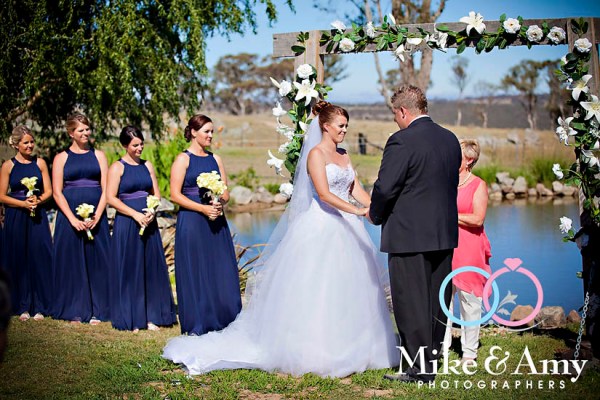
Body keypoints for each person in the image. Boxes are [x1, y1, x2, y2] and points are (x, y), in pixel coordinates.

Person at [163, 101, 399, 377]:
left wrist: (373, 208)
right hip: (322, 225)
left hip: (348, 227)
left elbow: (354, 187)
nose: (345, 130)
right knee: (320, 287)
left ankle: (357, 344)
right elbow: (324, 194)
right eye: (341, 126)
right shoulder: (316, 154)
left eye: (347, 126)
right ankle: (316, 348)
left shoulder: (344, 155)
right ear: (325, 126)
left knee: (352, 285)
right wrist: (356, 210)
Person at [368, 85, 462, 383]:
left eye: (395, 115)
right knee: (437, 299)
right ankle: (431, 358)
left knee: (410, 302)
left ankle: (419, 370)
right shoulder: (450, 139)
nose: (395, 121)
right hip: (443, 233)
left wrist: (375, 214)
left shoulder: (401, 141)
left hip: (408, 235)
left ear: (403, 111)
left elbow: (385, 187)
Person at [170, 114, 241, 335]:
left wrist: (219, 201)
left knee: (221, 269)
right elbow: (174, 195)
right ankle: (199, 322)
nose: (211, 135)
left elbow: (226, 193)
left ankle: (226, 319)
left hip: (216, 221)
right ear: (193, 132)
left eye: (212, 131)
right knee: (197, 270)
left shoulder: (215, 159)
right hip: (192, 222)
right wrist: (202, 208)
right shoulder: (183, 159)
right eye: (206, 131)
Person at [107, 126, 176, 332]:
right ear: (125, 145)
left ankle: (151, 315)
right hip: (127, 223)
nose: (139, 148)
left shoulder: (147, 165)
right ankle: (131, 316)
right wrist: (135, 214)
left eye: (141, 144)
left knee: (149, 267)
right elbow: (111, 198)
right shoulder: (117, 168)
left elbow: (156, 193)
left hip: (149, 222)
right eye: (135, 145)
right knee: (131, 268)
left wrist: (152, 211)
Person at [51, 113, 111, 324]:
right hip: (69, 219)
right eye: (81, 130)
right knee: (71, 263)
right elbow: (57, 192)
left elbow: (107, 189)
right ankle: (74, 308)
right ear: (71, 133)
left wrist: (97, 215)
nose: (86, 133)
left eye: (87, 129)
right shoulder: (61, 158)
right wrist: (72, 219)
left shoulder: (99, 156)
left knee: (99, 262)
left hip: (96, 218)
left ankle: (99, 309)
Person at [442, 139, 492, 365]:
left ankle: (469, 352)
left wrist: (449, 216)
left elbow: (478, 219)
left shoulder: (478, 185)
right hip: (444, 246)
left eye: (457, 155)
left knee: (470, 301)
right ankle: (442, 347)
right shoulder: (445, 182)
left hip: (469, 248)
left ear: (469, 160)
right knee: (443, 298)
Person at [0, 125, 53, 321]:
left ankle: (40, 305)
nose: (30, 145)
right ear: (16, 144)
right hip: (16, 216)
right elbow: (1, 196)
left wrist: (38, 200)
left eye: (32, 142)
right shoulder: (8, 166)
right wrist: (22, 203)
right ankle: (21, 305)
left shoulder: (40, 163)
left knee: (39, 257)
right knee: (18, 258)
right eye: (26, 142)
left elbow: (49, 191)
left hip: (37, 216)